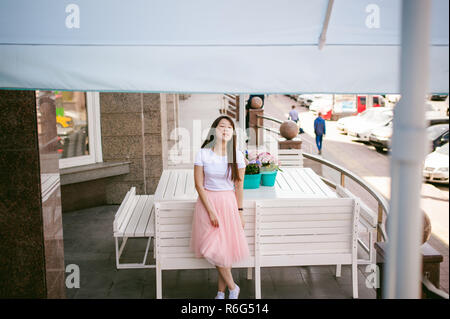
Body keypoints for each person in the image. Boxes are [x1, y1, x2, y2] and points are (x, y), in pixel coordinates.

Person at [192, 115, 249, 299]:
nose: (225, 129)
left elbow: (239, 186)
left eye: (229, 127)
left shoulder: (237, 155)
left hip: (228, 203)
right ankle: (233, 287)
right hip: (207, 203)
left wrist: (240, 212)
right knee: (211, 248)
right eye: (221, 126)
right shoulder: (203, 153)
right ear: (214, 130)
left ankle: (220, 293)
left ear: (233, 133)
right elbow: (199, 185)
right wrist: (210, 211)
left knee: (225, 250)